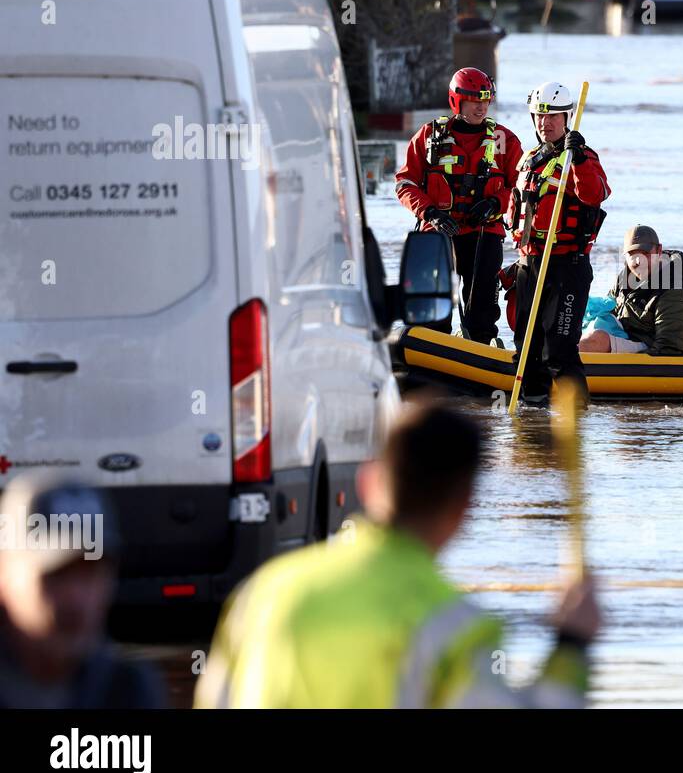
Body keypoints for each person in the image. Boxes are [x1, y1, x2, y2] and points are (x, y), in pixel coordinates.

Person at [195, 394, 601, 708]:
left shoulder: (265, 591)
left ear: (367, 482)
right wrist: (571, 645)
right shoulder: (454, 627)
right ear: (463, 509)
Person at [0, 471, 165, 708]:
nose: (76, 597)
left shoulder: (128, 690)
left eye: (92, 574)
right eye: (56, 574)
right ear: (4, 576)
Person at [396, 67, 523, 343]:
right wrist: (431, 213)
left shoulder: (506, 141)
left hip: (484, 233)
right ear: (457, 100)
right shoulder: (429, 135)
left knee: (482, 309)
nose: (481, 107)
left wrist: (494, 203)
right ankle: (432, 350)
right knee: (433, 304)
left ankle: (479, 349)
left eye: (486, 100)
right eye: (475, 100)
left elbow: (521, 188)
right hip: (439, 231)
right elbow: (405, 183)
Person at [505, 82, 611, 403]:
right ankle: (533, 427)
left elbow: (595, 195)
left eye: (552, 116)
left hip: (566, 266)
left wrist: (577, 158)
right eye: (539, 115)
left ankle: (574, 425)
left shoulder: (581, 158)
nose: (545, 122)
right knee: (526, 349)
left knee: (560, 350)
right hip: (531, 264)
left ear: (567, 118)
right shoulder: (530, 159)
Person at [579, 225, 683, 356]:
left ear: (659, 250)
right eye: (632, 254)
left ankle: (566, 367)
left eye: (645, 254)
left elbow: (670, 349)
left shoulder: (676, 291)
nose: (638, 261)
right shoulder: (624, 279)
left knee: (597, 340)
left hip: (654, 350)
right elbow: (608, 314)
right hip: (625, 339)